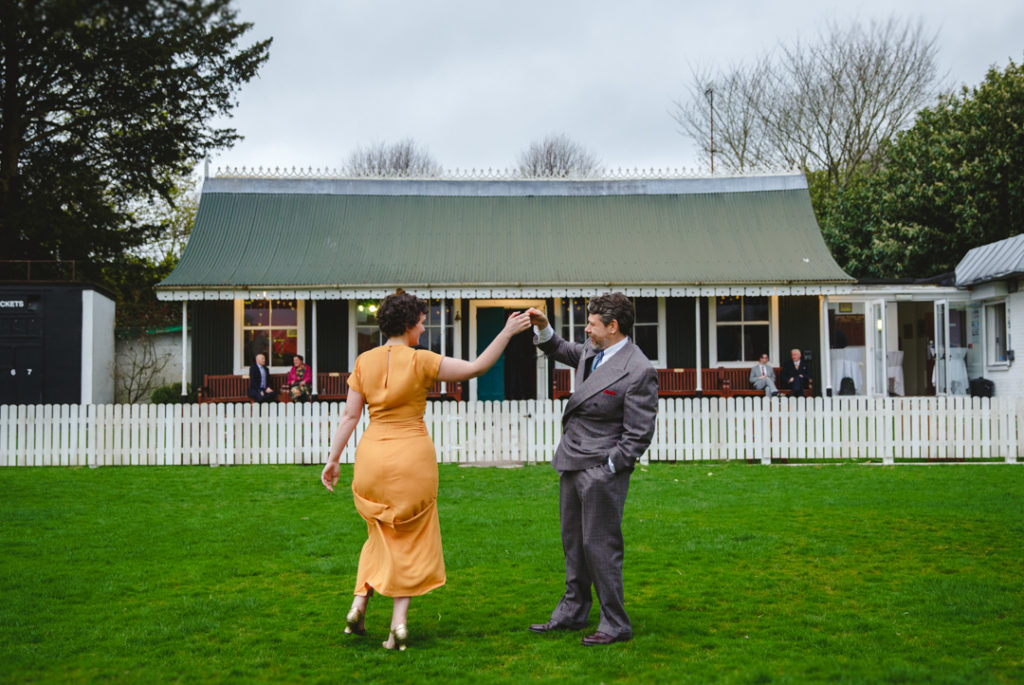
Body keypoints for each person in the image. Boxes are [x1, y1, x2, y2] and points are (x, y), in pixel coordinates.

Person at [321, 290, 532, 651]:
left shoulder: (364, 361)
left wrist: (333, 458)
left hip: (371, 458)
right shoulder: (421, 360)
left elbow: (350, 416)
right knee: (412, 538)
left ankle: (359, 603)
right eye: (421, 322)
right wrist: (507, 332)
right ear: (407, 324)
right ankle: (398, 626)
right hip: (412, 459)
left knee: (379, 533)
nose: (423, 328)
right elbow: (477, 368)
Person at [525, 293, 658, 646]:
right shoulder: (591, 350)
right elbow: (560, 348)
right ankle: (573, 611)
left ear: (613, 327)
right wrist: (543, 327)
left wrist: (609, 468)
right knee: (574, 544)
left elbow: (638, 434)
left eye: (593, 324)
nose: (586, 329)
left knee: (600, 546)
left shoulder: (638, 369)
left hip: (601, 470)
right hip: (571, 460)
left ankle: (615, 623)